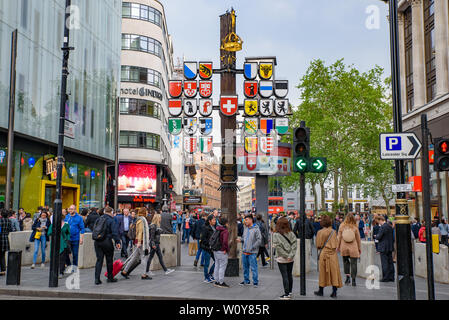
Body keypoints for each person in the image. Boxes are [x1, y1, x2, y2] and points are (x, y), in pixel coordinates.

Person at [314, 215, 342, 298]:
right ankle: (334, 291)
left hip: (324, 254)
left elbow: (318, 245)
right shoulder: (333, 232)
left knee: (322, 273)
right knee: (334, 272)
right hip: (333, 254)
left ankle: (321, 290)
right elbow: (336, 243)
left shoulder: (320, 232)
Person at [93, 207, 121, 285]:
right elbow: (115, 232)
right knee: (109, 260)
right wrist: (117, 242)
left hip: (97, 241)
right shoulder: (111, 220)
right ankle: (110, 277)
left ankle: (97, 279)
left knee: (99, 260)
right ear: (111, 212)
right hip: (107, 241)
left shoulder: (98, 219)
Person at [142, 213, 174, 279]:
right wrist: (153, 245)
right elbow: (152, 237)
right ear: (157, 218)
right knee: (152, 258)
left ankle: (164, 270)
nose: (160, 219)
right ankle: (147, 271)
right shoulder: (153, 226)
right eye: (160, 218)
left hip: (156, 244)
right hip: (154, 244)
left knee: (157, 257)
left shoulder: (156, 226)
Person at [121, 207, 150, 279]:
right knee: (143, 257)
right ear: (144, 212)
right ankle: (144, 274)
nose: (147, 212)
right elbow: (139, 232)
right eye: (146, 211)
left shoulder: (140, 219)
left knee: (134, 257)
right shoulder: (141, 220)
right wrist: (139, 242)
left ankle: (125, 271)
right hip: (141, 241)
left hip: (139, 241)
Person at [272, 217, 297, 300]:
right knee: (289, 275)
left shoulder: (276, 234)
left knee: (285, 275)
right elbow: (294, 245)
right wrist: (290, 255)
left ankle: (286, 294)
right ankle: (289, 292)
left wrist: (286, 255)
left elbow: (278, 248)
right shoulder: (291, 233)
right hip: (291, 258)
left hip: (281, 258)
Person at [337, 213, 362, 286]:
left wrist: (338, 247)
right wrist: (359, 248)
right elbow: (358, 239)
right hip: (353, 247)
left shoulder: (342, 226)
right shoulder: (355, 226)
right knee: (354, 264)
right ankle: (353, 280)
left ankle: (347, 277)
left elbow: (339, 237)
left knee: (346, 262)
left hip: (344, 247)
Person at [238, 214, 262, 287]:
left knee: (253, 268)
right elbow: (244, 238)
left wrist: (253, 247)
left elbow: (259, 240)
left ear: (251, 220)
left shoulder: (256, 229)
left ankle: (255, 282)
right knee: (245, 268)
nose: (245, 221)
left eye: (247, 219)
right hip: (245, 252)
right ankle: (246, 281)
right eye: (245, 220)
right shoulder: (245, 228)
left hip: (252, 252)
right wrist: (240, 240)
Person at [48, 210, 71, 278]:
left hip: (63, 244)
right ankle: (54, 271)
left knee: (62, 259)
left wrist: (66, 239)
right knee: (54, 258)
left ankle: (61, 271)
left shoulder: (66, 225)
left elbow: (68, 234)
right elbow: (49, 233)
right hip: (55, 244)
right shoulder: (53, 225)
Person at [64, 204, 85, 270]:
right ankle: (69, 265)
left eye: (72, 209)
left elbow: (82, 229)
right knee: (66, 253)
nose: (71, 210)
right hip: (67, 239)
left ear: (75, 210)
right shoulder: (66, 217)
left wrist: (81, 238)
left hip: (75, 238)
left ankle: (74, 267)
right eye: (70, 209)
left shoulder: (79, 218)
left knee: (75, 254)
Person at [376, 215, 395, 282]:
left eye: (378, 221)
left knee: (384, 263)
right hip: (389, 246)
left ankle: (386, 277)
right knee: (390, 262)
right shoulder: (389, 226)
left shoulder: (382, 227)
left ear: (380, 220)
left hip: (383, 247)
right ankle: (391, 277)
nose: (379, 223)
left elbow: (379, 236)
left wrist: (376, 236)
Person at [213, 217, 230, 288]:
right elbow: (225, 241)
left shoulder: (217, 229)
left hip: (215, 250)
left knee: (217, 265)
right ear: (226, 223)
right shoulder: (225, 231)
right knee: (222, 266)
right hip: (221, 250)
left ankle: (216, 281)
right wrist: (225, 249)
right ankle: (221, 282)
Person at [200, 214, 216, 283]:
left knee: (216, 261)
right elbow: (203, 239)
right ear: (209, 221)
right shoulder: (205, 228)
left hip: (212, 248)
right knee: (206, 264)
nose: (215, 221)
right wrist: (210, 243)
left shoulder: (213, 227)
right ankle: (206, 277)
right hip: (207, 248)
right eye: (213, 220)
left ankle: (210, 274)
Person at [0, 209, 13, 276]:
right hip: (5, 238)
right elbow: (11, 229)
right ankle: (3, 270)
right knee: (2, 255)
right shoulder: (9, 221)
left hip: (0, 238)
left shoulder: (0, 221)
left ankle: (2, 269)